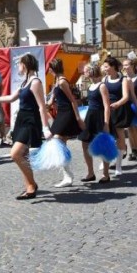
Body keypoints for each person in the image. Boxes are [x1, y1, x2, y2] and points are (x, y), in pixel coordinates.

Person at [0, 54, 51, 199]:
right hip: (21, 120)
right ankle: (29, 186)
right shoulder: (24, 83)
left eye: (19, 64)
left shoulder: (35, 82)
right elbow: (9, 98)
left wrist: (45, 128)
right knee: (24, 155)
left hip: (31, 121)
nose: (17, 67)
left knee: (15, 154)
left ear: (25, 65)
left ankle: (32, 184)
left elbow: (41, 107)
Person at [47, 59, 84, 187]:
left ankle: (68, 175)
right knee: (60, 143)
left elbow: (73, 100)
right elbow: (51, 99)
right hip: (60, 113)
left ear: (54, 68)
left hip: (67, 113)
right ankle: (67, 175)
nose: (49, 70)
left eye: (50, 68)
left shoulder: (62, 81)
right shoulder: (56, 81)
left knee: (57, 140)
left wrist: (78, 118)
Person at [103, 56, 137, 176]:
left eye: (106, 67)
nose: (104, 69)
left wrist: (117, 104)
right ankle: (107, 160)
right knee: (107, 136)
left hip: (119, 109)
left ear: (113, 67)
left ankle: (118, 165)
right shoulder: (105, 79)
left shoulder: (123, 79)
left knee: (119, 137)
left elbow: (126, 96)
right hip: (107, 110)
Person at [79, 64, 112, 184]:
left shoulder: (102, 86)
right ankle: (90, 172)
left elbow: (107, 106)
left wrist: (106, 123)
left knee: (103, 145)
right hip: (90, 116)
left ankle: (106, 174)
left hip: (99, 117)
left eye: (87, 71)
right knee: (85, 143)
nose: (85, 72)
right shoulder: (91, 85)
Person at [122, 58, 137, 160]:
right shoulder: (123, 79)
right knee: (130, 128)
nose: (125, 67)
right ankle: (134, 149)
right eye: (124, 65)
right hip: (127, 105)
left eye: (127, 65)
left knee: (135, 128)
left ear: (132, 66)